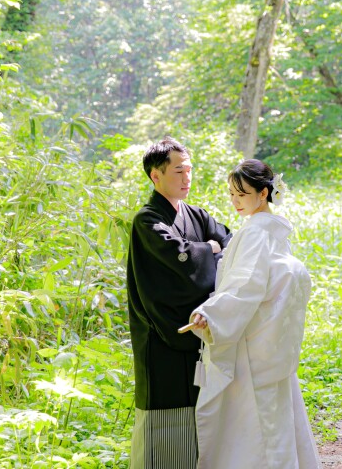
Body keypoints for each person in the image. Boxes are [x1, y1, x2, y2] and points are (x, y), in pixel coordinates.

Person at [187, 159, 321, 469]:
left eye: (242, 194)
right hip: (270, 341)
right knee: (274, 420)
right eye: (232, 194)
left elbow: (247, 285)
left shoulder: (256, 233)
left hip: (252, 342)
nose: (235, 202)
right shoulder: (273, 231)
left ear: (263, 193)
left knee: (254, 425)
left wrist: (212, 313)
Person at [126, 137, 232, 468]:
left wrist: (215, 248)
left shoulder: (196, 215)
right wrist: (210, 249)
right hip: (161, 335)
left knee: (202, 415)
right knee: (165, 422)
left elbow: (231, 242)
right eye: (178, 171)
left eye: (189, 170)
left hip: (199, 331)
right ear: (155, 176)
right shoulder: (147, 221)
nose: (186, 178)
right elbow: (182, 259)